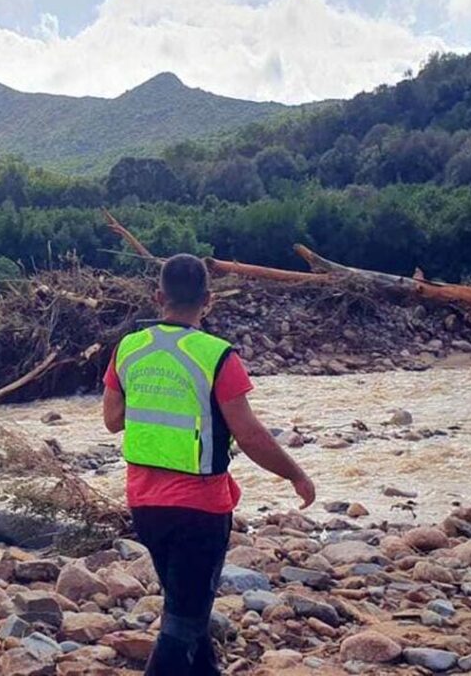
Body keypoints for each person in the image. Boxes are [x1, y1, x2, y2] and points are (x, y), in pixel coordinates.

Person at [102, 253, 316, 675]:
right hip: (199, 509)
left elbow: (112, 420)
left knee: (189, 612)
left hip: (144, 504)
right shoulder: (217, 356)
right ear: (209, 300)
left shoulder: (128, 348)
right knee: (182, 623)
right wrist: (296, 474)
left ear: (157, 296)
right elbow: (251, 435)